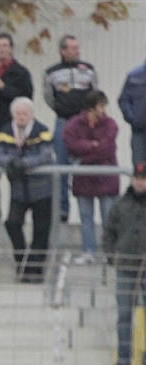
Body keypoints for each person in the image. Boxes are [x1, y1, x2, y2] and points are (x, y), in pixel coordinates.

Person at [0, 97, 54, 283]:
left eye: (25, 113)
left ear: (31, 115)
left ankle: (36, 269)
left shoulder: (42, 130)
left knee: (41, 230)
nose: (21, 117)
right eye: (18, 113)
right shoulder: (5, 131)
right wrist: (12, 162)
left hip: (41, 189)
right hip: (18, 189)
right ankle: (23, 263)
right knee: (12, 223)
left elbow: (46, 155)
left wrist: (25, 163)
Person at [44, 35, 98, 222]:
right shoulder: (51, 72)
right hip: (63, 122)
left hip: (85, 123)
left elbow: (94, 94)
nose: (77, 51)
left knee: (87, 165)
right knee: (61, 165)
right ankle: (63, 209)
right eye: (72, 48)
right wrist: (62, 109)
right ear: (62, 51)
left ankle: (88, 212)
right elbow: (49, 97)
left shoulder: (89, 70)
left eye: (77, 48)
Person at [63, 90, 119, 263]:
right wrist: (92, 145)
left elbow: (107, 148)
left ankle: (110, 254)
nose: (104, 109)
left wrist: (84, 157)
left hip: (106, 178)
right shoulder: (74, 124)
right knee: (85, 217)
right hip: (83, 179)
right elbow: (70, 144)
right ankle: (88, 253)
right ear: (91, 107)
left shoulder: (110, 124)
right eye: (101, 105)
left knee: (108, 218)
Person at [102, 162, 146, 365]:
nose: (139, 182)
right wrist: (113, 258)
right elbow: (108, 234)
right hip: (126, 267)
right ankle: (124, 358)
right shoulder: (120, 205)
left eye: (143, 179)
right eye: (137, 178)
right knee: (124, 314)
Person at [0, 33, 33, 133]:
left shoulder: (21, 72)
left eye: (4, 46)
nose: (1, 49)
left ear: (11, 49)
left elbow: (26, 98)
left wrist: (3, 87)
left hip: (11, 122)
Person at [120, 51, 146, 166]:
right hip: (139, 132)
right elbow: (123, 100)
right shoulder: (134, 76)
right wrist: (133, 119)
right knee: (139, 169)